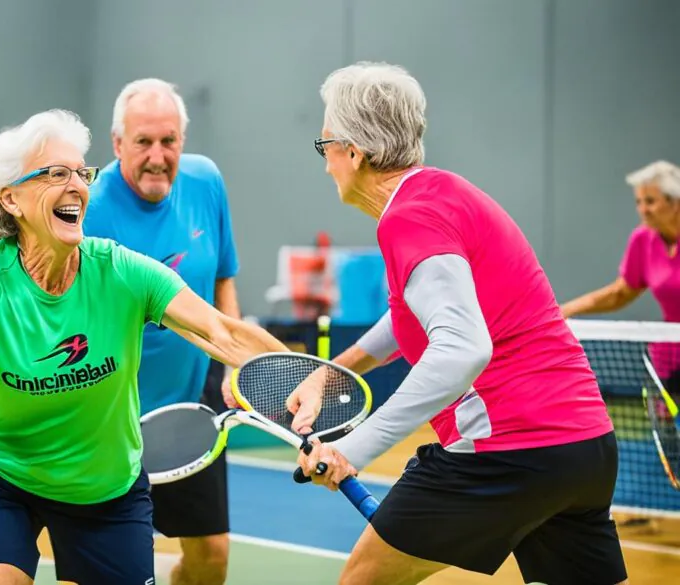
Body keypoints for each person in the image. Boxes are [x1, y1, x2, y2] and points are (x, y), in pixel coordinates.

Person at [0, 109, 289, 585]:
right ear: (12, 199)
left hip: (104, 488)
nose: (76, 186)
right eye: (55, 174)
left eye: (80, 173)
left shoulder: (122, 272)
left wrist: (302, 380)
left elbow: (222, 331)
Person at [286, 62, 628, 585]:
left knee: (363, 580)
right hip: (583, 450)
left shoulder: (408, 219)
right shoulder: (441, 194)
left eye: (324, 145)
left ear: (354, 152)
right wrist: (336, 370)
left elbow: (462, 349)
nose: (325, 162)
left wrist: (350, 447)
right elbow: (412, 312)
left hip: (507, 452)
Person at [83, 78, 239, 585]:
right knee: (121, 565)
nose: (157, 156)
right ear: (116, 144)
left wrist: (234, 361)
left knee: (211, 558)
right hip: (110, 419)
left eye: (168, 141)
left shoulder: (206, 182)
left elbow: (222, 278)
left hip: (194, 409)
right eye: (143, 142)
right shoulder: (87, 207)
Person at [561, 160, 680, 393]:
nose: (642, 209)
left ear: (674, 203)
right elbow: (620, 293)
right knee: (669, 429)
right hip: (671, 356)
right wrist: (564, 310)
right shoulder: (643, 240)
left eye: (650, 201)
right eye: (639, 202)